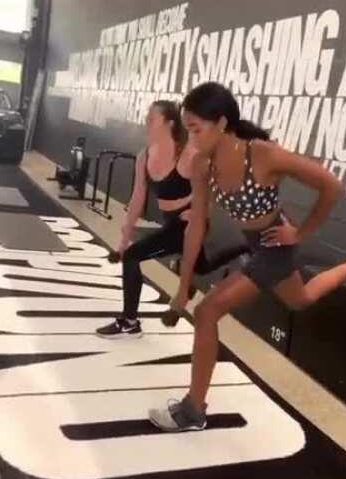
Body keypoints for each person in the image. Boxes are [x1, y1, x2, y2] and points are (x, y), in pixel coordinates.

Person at [149, 82, 346, 431]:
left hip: (275, 242)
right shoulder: (201, 164)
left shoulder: (262, 154)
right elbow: (196, 224)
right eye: (188, 130)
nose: (192, 139)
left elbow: (332, 186)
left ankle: (193, 410)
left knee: (208, 311)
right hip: (256, 242)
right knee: (300, 299)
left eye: (196, 129)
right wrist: (182, 285)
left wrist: (299, 233)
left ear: (222, 123)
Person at [96, 99, 248, 339]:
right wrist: (123, 240)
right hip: (170, 222)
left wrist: (201, 211)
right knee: (202, 266)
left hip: (189, 223)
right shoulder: (143, 157)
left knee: (134, 257)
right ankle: (244, 247)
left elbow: (214, 182)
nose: (146, 122)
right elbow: (137, 199)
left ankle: (129, 322)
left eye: (151, 118)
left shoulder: (188, 153)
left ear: (168, 123)